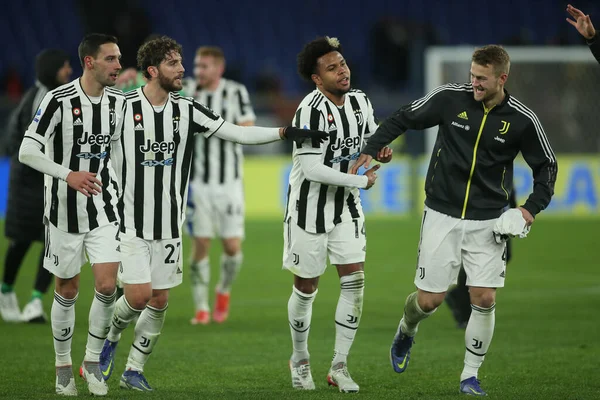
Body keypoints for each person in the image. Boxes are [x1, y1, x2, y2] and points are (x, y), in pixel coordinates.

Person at [98, 35, 327, 392]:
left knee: (160, 300)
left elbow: (236, 133)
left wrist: (284, 132)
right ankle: (110, 337)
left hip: (169, 227)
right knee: (139, 296)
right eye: (174, 63)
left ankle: (133, 369)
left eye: (182, 62)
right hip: (130, 223)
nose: (183, 69)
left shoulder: (186, 109)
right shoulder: (122, 109)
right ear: (154, 71)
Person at [351, 45, 557, 396]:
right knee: (428, 301)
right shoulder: (450, 98)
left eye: (481, 78)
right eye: (472, 75)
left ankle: (469, 376)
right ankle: (407, 329)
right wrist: (372, 146)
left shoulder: (522, 119)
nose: (473, 83)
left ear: (502, 78)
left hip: (489, 221)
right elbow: (405, 116)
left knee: (484, 298)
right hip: (441, 215)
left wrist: (529, 209)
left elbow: (546, 166)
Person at [18, 33, 126, 397]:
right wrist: (69, 174)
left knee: (108, 286)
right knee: (67, 289)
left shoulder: (118, 103)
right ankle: (63, 365)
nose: (118, 65)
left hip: (104, 208)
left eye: (119, 58)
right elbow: (26, 151)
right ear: (90, 62)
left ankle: (92, 363)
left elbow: (121, 153)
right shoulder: (57, 100)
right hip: (62, 213)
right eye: (111, 58)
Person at [283, 36, 390, 393]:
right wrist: (357, 181)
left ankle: (339, 365)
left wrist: (381, 148)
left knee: (355, 282)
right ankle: (299, 358)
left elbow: (371, 136)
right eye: (332, 68)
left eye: (342, 63)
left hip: (346, 207)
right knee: (306, 287)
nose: (342, 71)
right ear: (317, 78)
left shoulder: (360, 101)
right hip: (308, 209)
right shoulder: (309, 111)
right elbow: (311, 169)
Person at [0, 49, 72, 323]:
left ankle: (33, 301)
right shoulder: (44, 99)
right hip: (30, 182)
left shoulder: (44, 95)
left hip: (45, 181)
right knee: (23, 241)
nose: (68, 71)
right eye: (65, 66)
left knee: (49, 242)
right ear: (52, 69)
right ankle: (7, 292)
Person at [186, 46, 255, 325]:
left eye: (204, 66)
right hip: (197, 184)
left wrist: (218, 127)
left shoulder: (235, 92)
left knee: (231, 246)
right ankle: (201, 307)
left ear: (219, 69)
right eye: (197, 65)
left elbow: (248, 127)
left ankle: (223, 291)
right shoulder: (186, 90)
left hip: (229, 184)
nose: (198, 71)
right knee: (200, 243)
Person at [445, 189, 516, 329]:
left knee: (503, 255)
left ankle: (459, 295)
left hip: (500, 203)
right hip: (485, 210)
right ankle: (464, 303)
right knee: (482, 257)